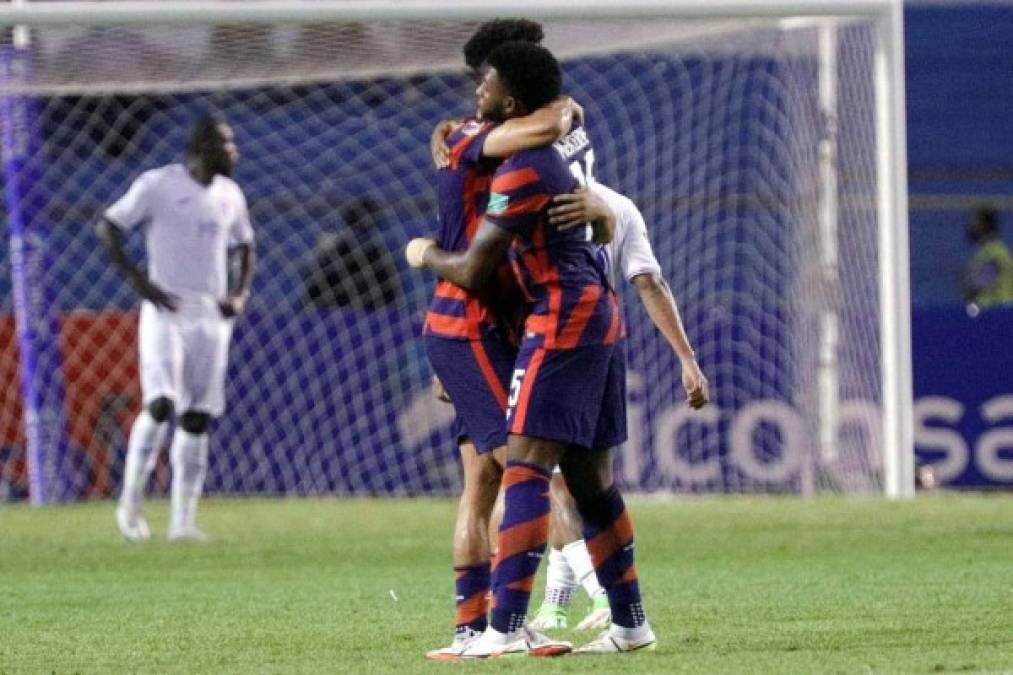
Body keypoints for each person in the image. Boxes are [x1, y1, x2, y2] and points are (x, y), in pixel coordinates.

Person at [408, 40, 653, 657]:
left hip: (548, 320)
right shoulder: (551, 147)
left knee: (523, 469)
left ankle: (500, 628)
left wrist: (420, 253)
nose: (474, 95)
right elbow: (560, 132)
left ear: (509, 98)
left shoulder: (519, 164)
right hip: (584, 314)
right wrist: (599, 217)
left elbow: (470, 268)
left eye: (483, 85)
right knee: (583, 481)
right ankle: (628, 624)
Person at [528, 183, 709, 631]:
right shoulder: (620, 205)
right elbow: (649, 281)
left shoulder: (532, 195)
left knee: (541, 477)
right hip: (605, 346)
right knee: (578, 483)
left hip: (551, 345)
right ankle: (556, 603)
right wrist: (687, 359)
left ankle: (605, 596)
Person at [97, 115, 255, 542]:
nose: (234, 150)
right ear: (203, 147)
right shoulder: (158, 185)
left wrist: (238, 295)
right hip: (167, 309)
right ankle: (130, 505)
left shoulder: (230, 194)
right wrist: (142, 284)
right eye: (227, 142)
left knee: (198, 416)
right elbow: (108, 226)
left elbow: (246, 246)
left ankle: (182, 522)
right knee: (162, 404)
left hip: (211, 315)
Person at [303, 196, 402, 309]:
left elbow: (391, 296)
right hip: (335, 314)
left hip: (364, 315)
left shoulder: (379, 257)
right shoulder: (332, 253)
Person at [962, 205, 1013, 311]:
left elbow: (977, 284)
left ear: (984, 225)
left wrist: (967, 280)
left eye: (975, 222)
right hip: (994, 312)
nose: (971, 226)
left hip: (996, 312)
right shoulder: (987, 251)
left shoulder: (994, 252)